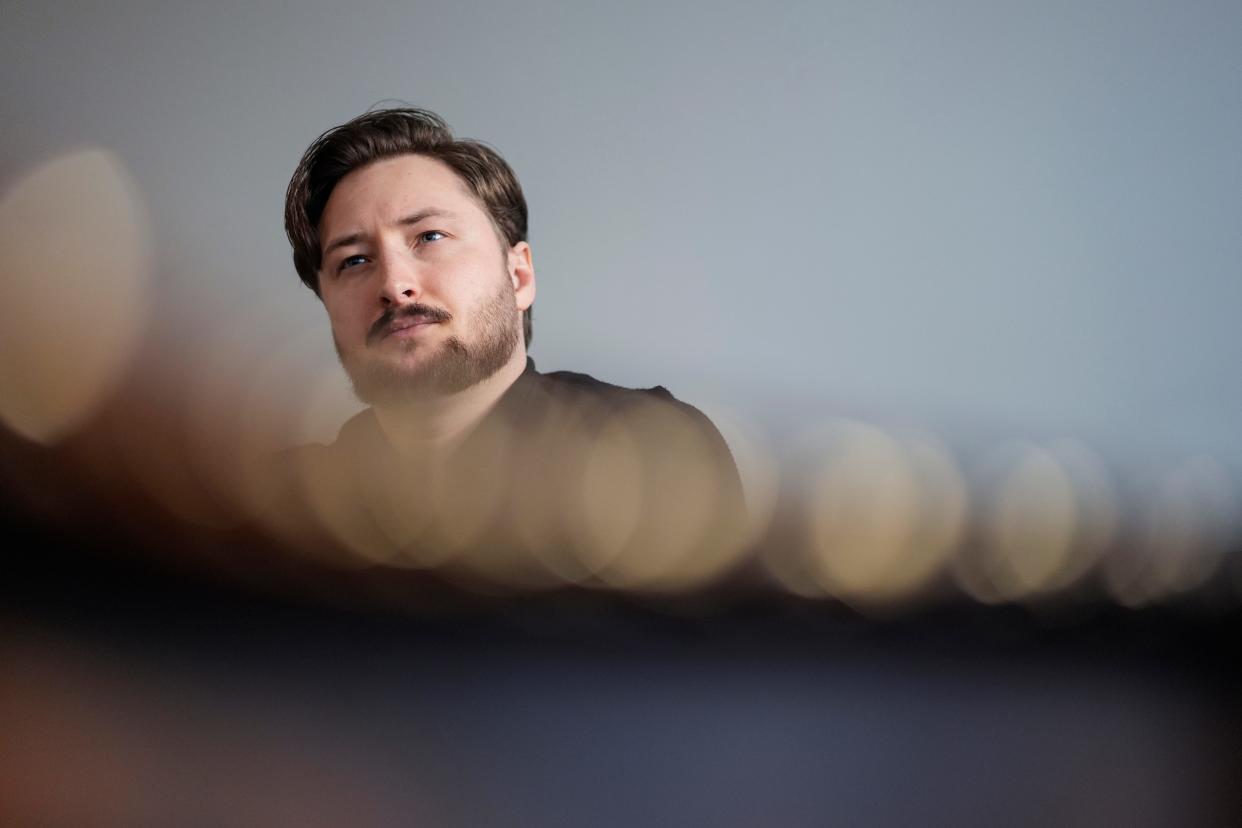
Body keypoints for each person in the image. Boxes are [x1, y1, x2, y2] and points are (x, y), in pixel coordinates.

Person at [276, 107, 747, 591]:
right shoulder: (286, 507)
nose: (395, 285)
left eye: (430, 236)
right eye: (353, 261)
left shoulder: (653, 453)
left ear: (519, 276)